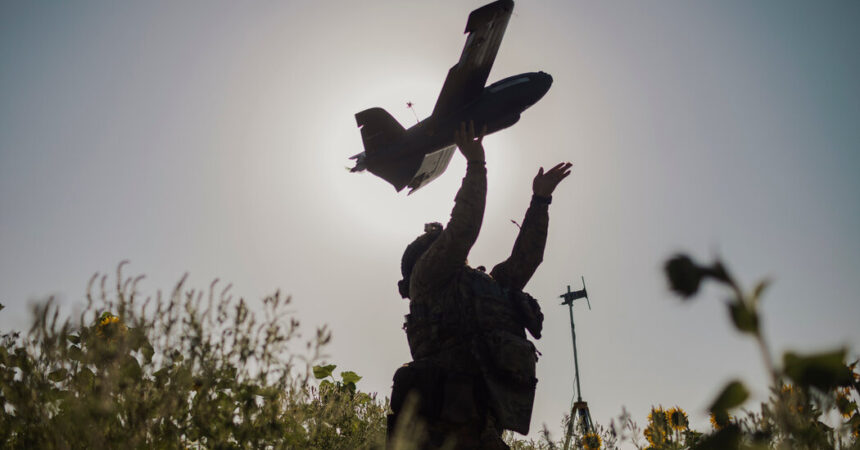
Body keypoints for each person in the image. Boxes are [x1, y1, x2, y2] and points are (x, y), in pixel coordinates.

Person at [388, 121, 572, 449]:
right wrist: (476, 164)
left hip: (481, 430)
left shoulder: (480, 286)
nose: (445, 245)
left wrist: (540, 201)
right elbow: (463, 230)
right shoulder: (427, 278)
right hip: (438, 433)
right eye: (438, 243)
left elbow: (524, 262)